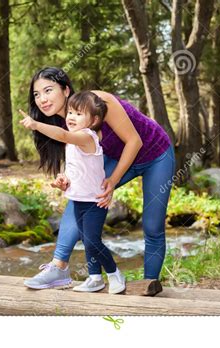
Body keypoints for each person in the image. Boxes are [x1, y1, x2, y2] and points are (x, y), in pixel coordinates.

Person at [22, 67, 176, 290]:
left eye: (48, 90)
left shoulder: (98, 101)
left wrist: (112, 181)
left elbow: (134, 141)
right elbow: (79, 162)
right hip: (118, 157)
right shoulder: (59, 124)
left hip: (156, 154)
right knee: (80, 196)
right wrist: (67, 179)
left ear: (66, 90)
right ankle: (58, 268)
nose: (42, 99)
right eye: (37, 94)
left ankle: (148, 284)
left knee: (152, 227)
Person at [20, 91, 126, 293]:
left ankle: (114, 273)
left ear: (94, 120)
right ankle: (95, 278)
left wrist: (35, 124)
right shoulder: (73, 142)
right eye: (69, 112)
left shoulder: (87, 137)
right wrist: (64, 179)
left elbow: (61, 134)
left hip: (95, 201)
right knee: (87, 240)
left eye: (78, 113)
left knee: (93, 240)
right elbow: (75, 168)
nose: (71, 117)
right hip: (79, 200)